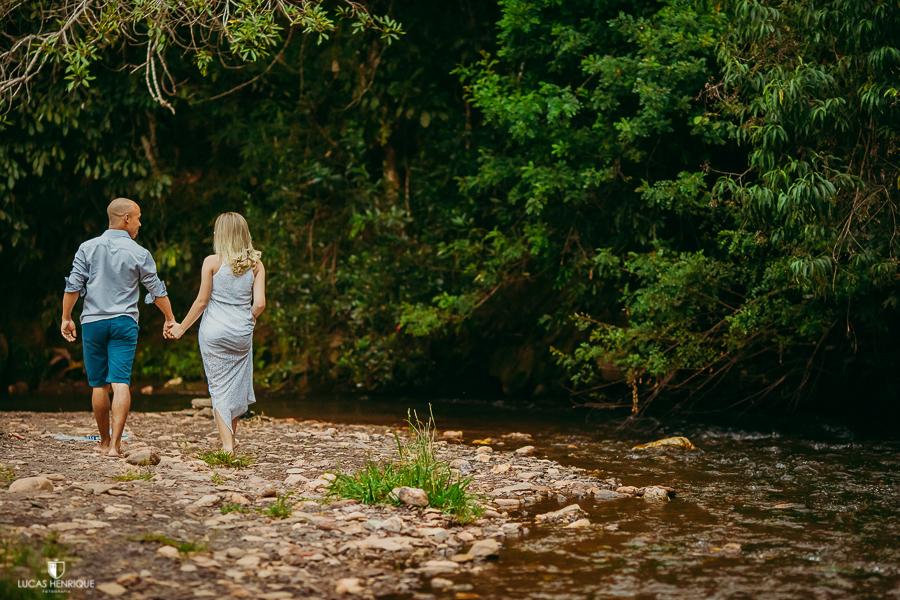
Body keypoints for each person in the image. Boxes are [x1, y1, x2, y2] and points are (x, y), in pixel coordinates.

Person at [61, 198, 176, 457]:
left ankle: (103, 443)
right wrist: (169, 318)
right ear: (125, 219)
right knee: (120, 382)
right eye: (137, 217)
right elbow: (156, 290)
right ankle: (116, 446)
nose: (140, 223)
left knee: (99, 384)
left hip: (93, 323)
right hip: (124, 323)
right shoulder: (139, 252)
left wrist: (66, 317)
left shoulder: (87, 248)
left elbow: (73, 286)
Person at [167, 213, 266, 453]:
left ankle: (226, 446)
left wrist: (181, 327)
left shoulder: (211, 262)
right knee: (235, 387)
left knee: (219, 387)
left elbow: (202, 301)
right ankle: (230, 439)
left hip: (213, 332)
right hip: (241, 332)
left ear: (220, 235)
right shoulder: (256, 264)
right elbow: (260, 303)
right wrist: (249, 318)